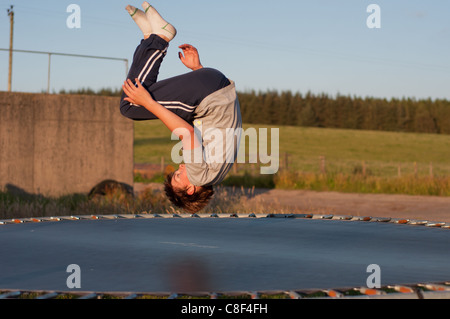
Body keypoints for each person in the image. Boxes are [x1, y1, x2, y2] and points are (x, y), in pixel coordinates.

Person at [120, 3, 242, 213]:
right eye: (178, 176)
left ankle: (150, 38)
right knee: (130, 105)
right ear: (192, 189)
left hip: (215, 83)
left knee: (140, 100)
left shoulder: (219, 172)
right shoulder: (200, 176)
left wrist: (199, 69)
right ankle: (158, 38)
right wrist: (148, 103)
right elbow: (187, 133)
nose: (181, 167)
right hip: (207, 93)